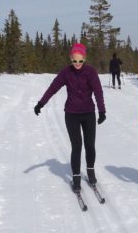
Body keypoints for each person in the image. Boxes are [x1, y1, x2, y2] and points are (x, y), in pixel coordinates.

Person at [34, 43, 106, 193]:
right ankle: (76, 177)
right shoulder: (66, 72)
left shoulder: (90, 72)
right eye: (75, 61)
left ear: (84, 59)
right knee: (77, 146)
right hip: (71, 114)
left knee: (90, 145)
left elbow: (98, 92)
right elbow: (53, 88)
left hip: (88, 114)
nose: (78, 64)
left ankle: (90, 171)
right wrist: (41, 103)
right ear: (70, 59)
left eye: (80, 61)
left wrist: (102, 111)